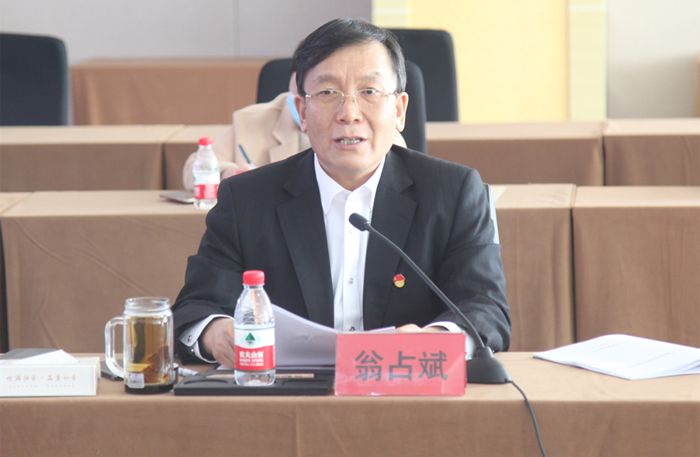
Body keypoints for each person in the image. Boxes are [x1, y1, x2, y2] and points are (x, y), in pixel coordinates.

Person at [172, 18, 511, 367]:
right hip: (289, 393)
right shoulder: (246, 199)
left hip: (408, 388)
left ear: (399, 111)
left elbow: (486, 308)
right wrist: (216, 333)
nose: (349, 114)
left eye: (369, 92)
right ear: (302, 112)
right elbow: (195, 308)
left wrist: (437, 339)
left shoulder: (453, 193)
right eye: (328, 93)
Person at [181, 73, 407, 191]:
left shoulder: (375, 129)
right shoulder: (251, 121)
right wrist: (227, 174)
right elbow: (193, 168)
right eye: (324, 92)